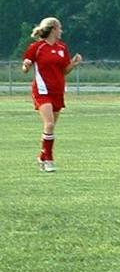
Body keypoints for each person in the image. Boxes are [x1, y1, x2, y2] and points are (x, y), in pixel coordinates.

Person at [21, 17, 82, 172]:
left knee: (51, 127)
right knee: (48, 124)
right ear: (53, 29)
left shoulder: (62, 47)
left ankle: (42, 156)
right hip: (42, 91)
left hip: (58, 91)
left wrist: (73, 64)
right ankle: (49, 159)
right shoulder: (37, 47)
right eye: (59, 28)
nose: (61, 31)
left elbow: (64, 71)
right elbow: (25, 67)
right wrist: (26, 66)